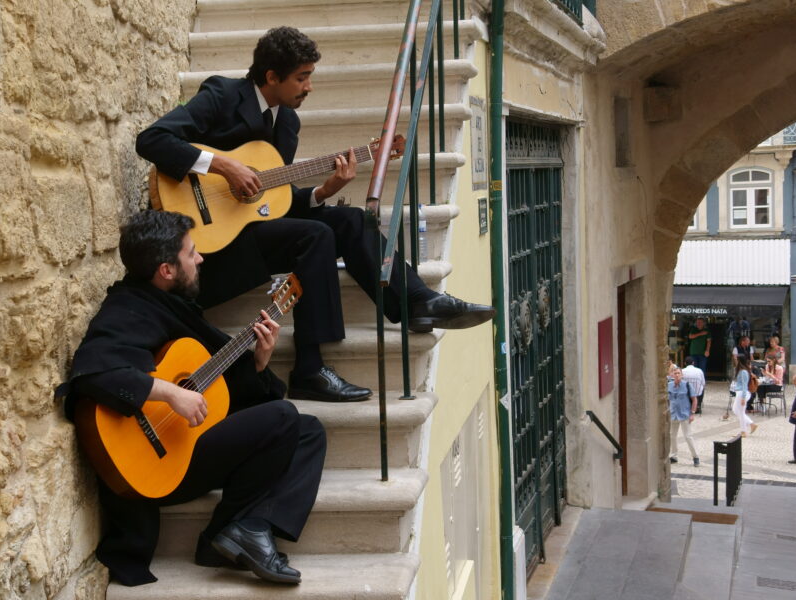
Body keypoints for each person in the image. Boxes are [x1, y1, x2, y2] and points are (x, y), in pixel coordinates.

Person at [135, 26, 494, 402]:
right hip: (205, 246)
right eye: (301, 77)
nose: (309, 87)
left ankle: (417, 301)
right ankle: (309, 369)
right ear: (272, 77)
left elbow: (274, 200)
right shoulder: (222, 95)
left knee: (352, 220)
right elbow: (152, 139)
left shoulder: (287, 123)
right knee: (315, 236)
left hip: (250, 231)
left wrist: (324, 192)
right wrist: (224, 166)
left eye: (310, 76)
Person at [60, 211, 326, 586]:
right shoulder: (127, 308)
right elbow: (92, 372)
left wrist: (259, 362)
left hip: (180, 443)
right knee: (282, 416)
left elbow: (226, 393)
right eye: (192, 253)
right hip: (155, 462)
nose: (200, 259)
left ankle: (238, 531)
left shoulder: (171, 306)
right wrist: (170, 393)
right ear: (167, 269)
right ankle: (243, 531)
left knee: (308, 431)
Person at [668, 368, 700, 466]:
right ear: (672, 375)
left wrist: (692, 413)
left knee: (688, 436)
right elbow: (667, 399)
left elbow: (694, 400)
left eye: (678, 373)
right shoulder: (669, 385)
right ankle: (674, 456)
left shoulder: (687, 385)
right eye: (675, 373)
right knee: (672, 436)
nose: (677, 375)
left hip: (685, 414)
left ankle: (695, 456)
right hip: (673, 414)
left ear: (682, 375)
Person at [732, 355, 758, 437]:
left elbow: (744, 385)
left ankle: (744, 431)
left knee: (740, 412)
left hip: (742, 393)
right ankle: (751, 424)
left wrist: (743, 397)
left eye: (736, 359)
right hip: (740, 393)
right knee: (737, 410)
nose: (735, 361)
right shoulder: (742, 371)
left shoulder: (743, 372)